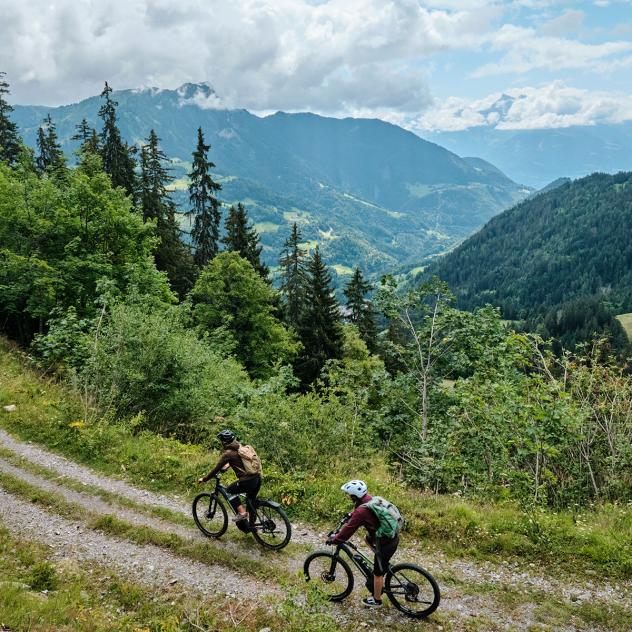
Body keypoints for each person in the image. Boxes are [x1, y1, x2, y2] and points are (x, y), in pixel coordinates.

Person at [327, 480, 400, 608]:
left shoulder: (362, 511)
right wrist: (350, 515)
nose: (348, 497)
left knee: (377, 573)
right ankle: (381, 561)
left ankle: (376, 600)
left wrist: (335, 539)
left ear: (354, 496)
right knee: (367, 538)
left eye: (349, 495)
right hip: (392, 538)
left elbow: (347, 531)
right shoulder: (369, 499)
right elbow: (357, 513)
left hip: (386, 543)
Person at [197, 429, 261, 524]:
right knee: (250, 501)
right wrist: (228, 465)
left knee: (229, 491)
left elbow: (216, 469)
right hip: (257, 478)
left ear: (224, 442)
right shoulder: (239, 447)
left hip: (247, 481)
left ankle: (242, 513)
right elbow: (239, 461)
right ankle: (252, 526)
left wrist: (205, 479)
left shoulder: (227, 454)